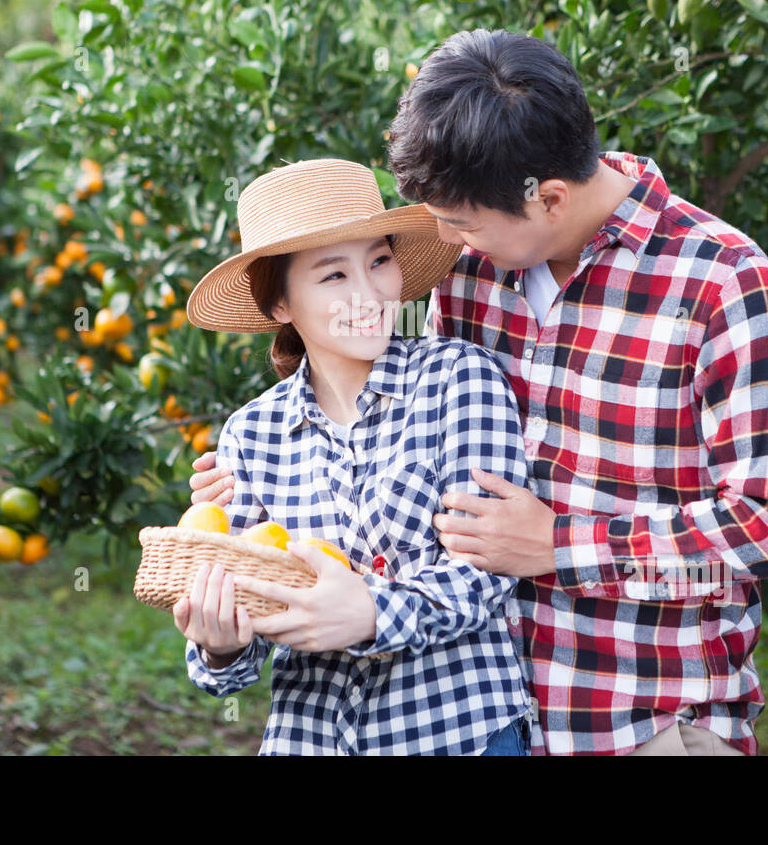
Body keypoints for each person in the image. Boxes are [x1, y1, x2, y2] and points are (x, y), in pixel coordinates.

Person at [190, 30, 768, 756]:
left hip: (640, 721)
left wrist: (564, 545)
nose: (442, 238)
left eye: (459, 222)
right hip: (480, 721)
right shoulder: (473, 273)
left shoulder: (721, 283)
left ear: (549, 198)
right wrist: (259, 480)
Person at [171, 157, 534, 755]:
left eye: (379, 261)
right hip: (308, 740)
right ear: (281, 305)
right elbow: (234, 656)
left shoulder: (458, 381)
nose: (369, 294)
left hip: (456, 731)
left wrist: (369, 613)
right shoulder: (251, 434)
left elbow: (486, 575)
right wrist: (221, 642)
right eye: (333, 275)